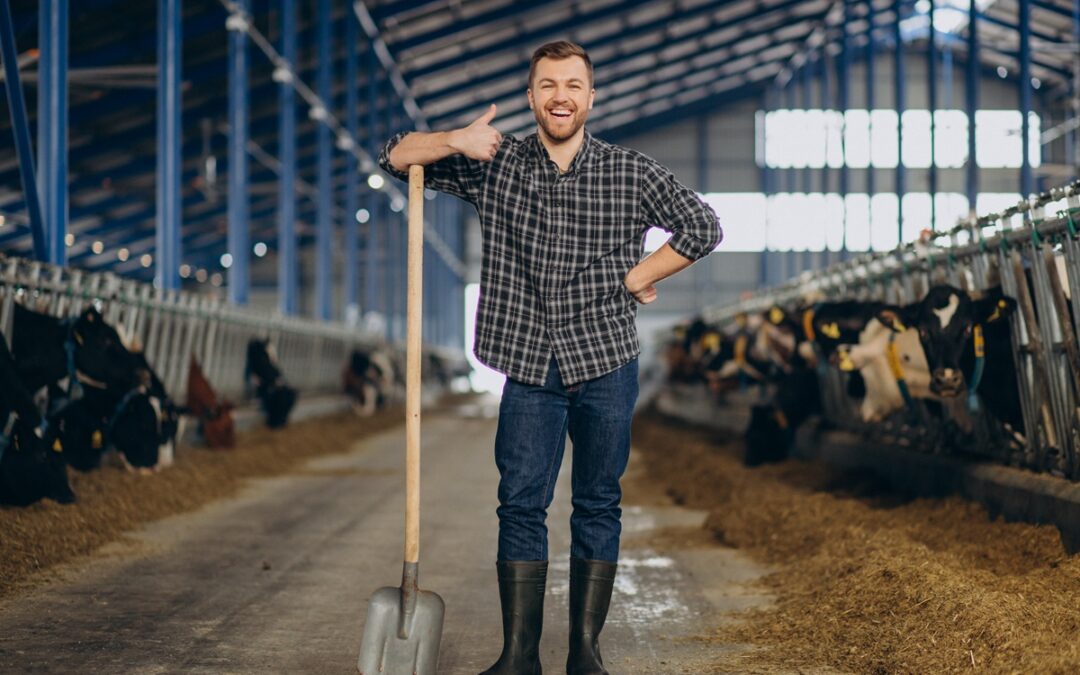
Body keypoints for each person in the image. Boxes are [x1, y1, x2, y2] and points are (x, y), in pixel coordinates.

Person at [379, 40, 721, 675]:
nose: (560, 96)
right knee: (520, 504)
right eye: (548, 85)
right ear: (531, 96)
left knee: (598, 502)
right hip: (529, 364)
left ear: (591, 96)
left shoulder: (630, 171)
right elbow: (396, 156)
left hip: (606, 360)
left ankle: (585, 654)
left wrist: (639, 274)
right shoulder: (496, 163)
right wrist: (455, 140)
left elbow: (704, 226)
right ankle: (519, 657)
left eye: (572, 85)